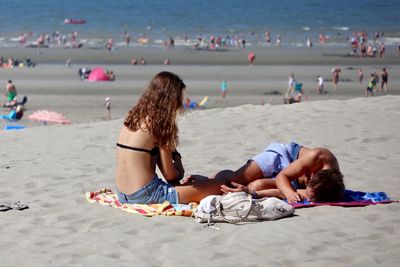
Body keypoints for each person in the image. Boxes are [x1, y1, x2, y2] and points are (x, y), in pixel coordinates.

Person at [115, 71, 227, 204]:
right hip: (146, 194)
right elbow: (170, 175)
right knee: (220, 185)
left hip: (122, 194)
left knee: (203, 186)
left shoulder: (133, 118)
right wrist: (178, 162)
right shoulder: (159, 124)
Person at [211, 142, 345, 203]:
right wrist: (289, 193)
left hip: (293, 181)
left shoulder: (329, 190)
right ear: (313, 178)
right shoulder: (319, 156)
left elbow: (280, 192)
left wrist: (251, 192)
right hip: (283, 156)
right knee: (235, 179)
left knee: (253, 186)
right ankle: (209, 180)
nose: (310, 199)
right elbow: (283, 176)